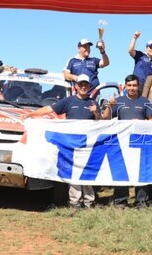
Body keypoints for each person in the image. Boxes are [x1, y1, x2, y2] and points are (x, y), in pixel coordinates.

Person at [24, 74, 100, 208]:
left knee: (87, 172)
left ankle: (89, 202)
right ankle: (75, 202)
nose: (83, 87)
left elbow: (101, 123)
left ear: (89, 86)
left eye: (86, 85)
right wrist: (31, 114)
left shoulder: (93, 103)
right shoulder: (68, 101)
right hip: (71, 144)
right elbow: (49, 109)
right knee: (74, 172)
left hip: (87, 145)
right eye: (80, 84)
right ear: (76, 86)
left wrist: (96, 113)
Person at [102, 74, 152, 208]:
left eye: (135, 85)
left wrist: (140, 123)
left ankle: (141, 201)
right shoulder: (118, 101)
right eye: (129, 85)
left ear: (138, 86)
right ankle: (121, 201)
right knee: (121, 172)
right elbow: (105, 118)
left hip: (140, 143)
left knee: (141, 172)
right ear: (125, 86)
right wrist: (109, 106)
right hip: (122, 143)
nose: (132, 88)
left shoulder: (145, 101)